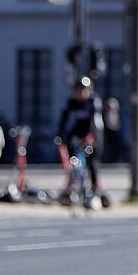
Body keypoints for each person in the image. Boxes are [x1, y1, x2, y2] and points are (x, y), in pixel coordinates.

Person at [55, 77, 110, 207]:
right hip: (76, 135)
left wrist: (92, 139)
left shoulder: (93, 103)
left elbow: (96, 124)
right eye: (77, 90)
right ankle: (70, 189)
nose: (80, 93)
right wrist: (61, 135)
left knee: (92, 164)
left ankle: (96, 190)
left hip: (91, 136)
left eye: (83, 90)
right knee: (72, 163)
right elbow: (64, 121)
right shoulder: (71, 103)